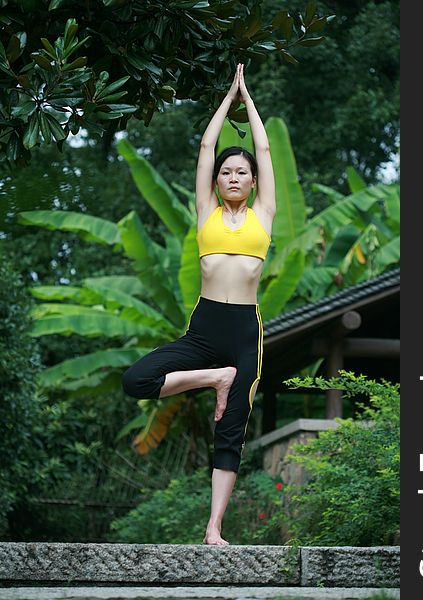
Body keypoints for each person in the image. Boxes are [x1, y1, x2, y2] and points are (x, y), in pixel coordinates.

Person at [121, 63, 276, 545]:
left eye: (241, 172)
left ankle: (213, 529)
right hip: (205, 328)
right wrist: (226, 98)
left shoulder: (264, 215)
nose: (232, 176)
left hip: (244, 331)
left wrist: (248, 100)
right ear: (215, 183)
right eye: (226, 172)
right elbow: (206, 147)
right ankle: (215, 378)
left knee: (230, 431)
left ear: (252, 182)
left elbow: (265, 147)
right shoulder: (205, 212)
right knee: (136, 379)